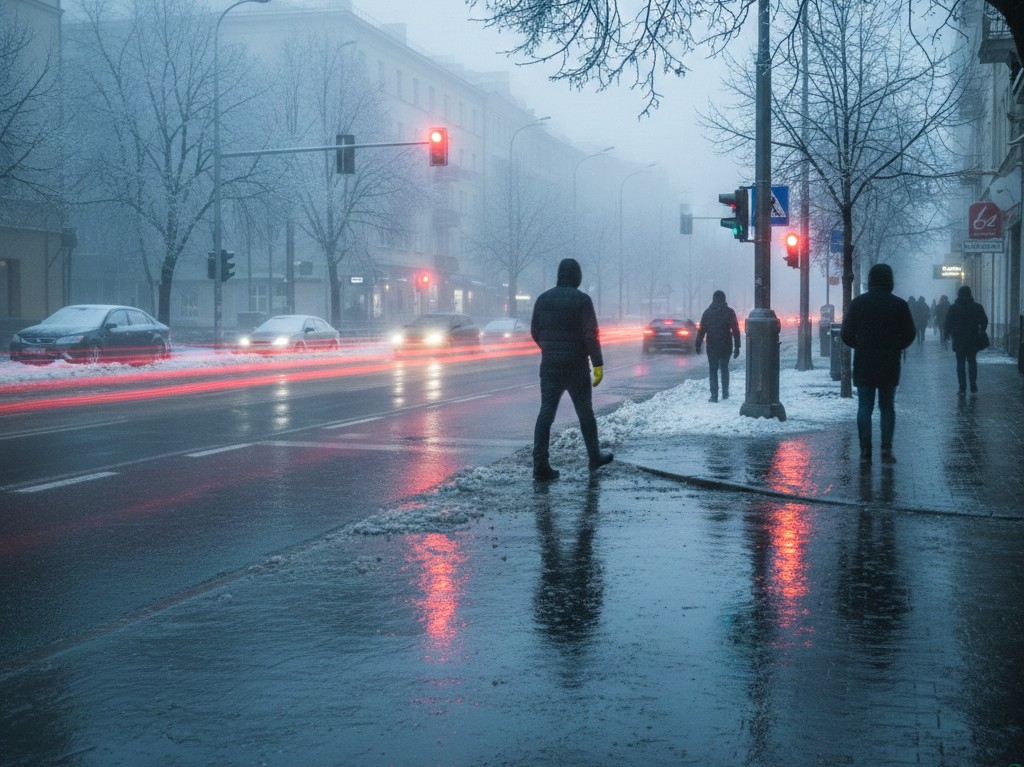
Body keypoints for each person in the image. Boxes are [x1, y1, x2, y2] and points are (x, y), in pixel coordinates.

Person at [531, 258, 613, 481]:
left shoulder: (543, 299)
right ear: (577, 276)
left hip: (550, 366)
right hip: (576, 366)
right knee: (585, 412)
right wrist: (597, 364)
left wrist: (549, 348)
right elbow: (591, 335)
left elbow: (535, 331)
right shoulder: (582, 301)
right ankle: (594, 456)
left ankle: (540, 463)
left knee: (546, 413)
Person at [840, 263, 916, 464]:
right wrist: (895, 345)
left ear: (871, 280)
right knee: (887, 406)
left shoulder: (858, 304)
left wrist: (861, 345)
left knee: (864, 406)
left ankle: (865, 450)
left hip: (865, 362)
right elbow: (910, 333)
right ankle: (886, 449)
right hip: (889, 362)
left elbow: (846, 334)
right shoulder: (899, 305)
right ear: (890, 280)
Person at [694, 290, 741, 402]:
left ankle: (714, 395)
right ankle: (725, 393)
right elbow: (735, 330)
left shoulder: (707, 313)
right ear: (724, 299)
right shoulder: (729, 312)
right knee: (724, 368)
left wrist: (698, 344)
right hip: (726, 344)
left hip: (712, 345)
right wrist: (737, 346)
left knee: (713, 370)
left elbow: (701, 330)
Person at [943, 284, 989, 396]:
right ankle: (973, 383)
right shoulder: (977, 307)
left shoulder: (953, 308)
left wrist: (947, 334)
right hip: (973, 340)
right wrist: (981, 329)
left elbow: (948, 323)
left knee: (960, 363)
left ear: (959, 294)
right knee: (972, 361)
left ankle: (962, 387)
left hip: (958, 340)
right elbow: (984, 321)